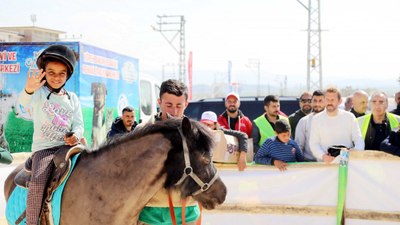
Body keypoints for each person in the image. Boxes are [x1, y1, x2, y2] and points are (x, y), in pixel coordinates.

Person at [17, 44, 84, 225]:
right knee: (38, 184)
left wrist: (76, 136)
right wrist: (28, 90)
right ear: (44, 72)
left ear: (68, 75)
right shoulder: (38, 93)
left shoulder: (73, 99)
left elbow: (78, 125)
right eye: (51, 72)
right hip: (45, 149)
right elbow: (21, 105)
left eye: (61, 73)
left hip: (70, 147)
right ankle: (32, 222)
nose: (56, 77)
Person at [136, 79, 199, 225]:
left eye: (179, 105)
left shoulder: (196, 133)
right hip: (150, 214)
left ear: (186, 104)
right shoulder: (142, 131)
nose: (174, 112)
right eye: (169, 105)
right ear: (159, 102)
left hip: (186, 213)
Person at [309, 87, 364, 163]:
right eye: (327, 99)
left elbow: (359, 140)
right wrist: (323, 156)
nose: (330, 102)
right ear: (324, 100)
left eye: (332, 100)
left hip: (346, 164)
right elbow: (314, 143)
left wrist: (355, 152)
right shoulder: (316, 119)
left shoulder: (349, 117)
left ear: (340, 101)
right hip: (324, 165)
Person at [295, 90, 325, 162]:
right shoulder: (303, 121)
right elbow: (299, 146)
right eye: (315, 100)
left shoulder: (332, 120)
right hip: (309, 164)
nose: (317, 104)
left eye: (320, 101)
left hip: (328, 164)